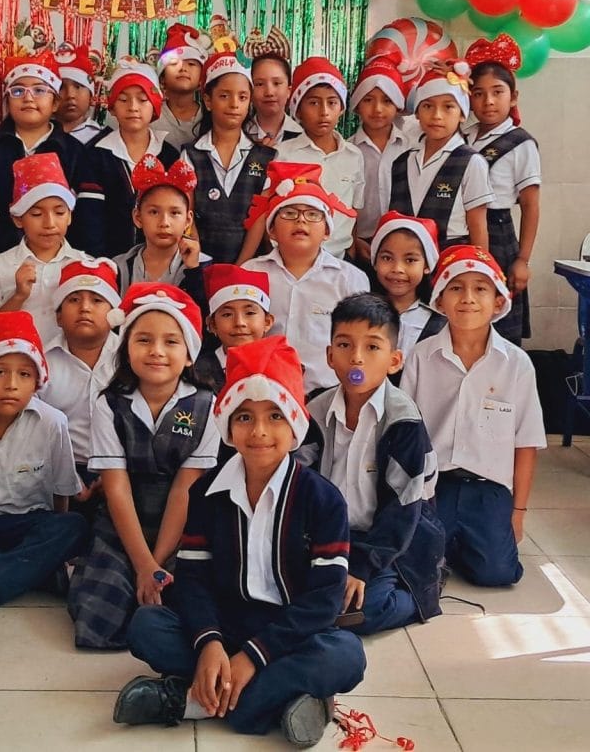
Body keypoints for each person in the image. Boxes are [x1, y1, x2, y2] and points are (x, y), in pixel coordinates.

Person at [114, 336, 365, 747]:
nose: (259, 432)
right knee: (146, 626)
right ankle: (283, 700)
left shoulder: (323, 500)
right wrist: (209, 643)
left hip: (290, 633)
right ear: (228, 425)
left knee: (346, 656)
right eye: (245, 417)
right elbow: (193, 580)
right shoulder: (206, 493)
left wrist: (253, 656)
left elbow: (323, 600)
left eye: (275, 416)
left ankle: (189, 701)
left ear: (295, 424)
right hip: (225, 624)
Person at [68, 283, 220, 649]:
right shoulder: (110, 404)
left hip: (183, 525)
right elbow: (116, 487)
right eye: (144, 340)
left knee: (193, 601)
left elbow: (185, 489)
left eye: (171, 342)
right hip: (123, 522)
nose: (156, 351)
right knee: (98, 618)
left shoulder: (207, 405)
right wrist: (143, 565)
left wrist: (159, 562)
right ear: (126, 350)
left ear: (189, 355)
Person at [401, 245, 546, 587]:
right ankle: (448, 544)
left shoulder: (517, 364)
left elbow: (526, 443)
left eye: (480, 288)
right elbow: (405, 433)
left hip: (489, 489)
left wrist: (518, 513)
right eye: (456, 287)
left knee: (497, 573)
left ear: (498, 302)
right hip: (434, 485)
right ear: (439, 301)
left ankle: (463, 542)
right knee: (413, 566)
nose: (468, 298)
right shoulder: (420, 357)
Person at [301, 293, 445, 636]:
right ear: (329, 356)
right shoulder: (315, 411)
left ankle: (421, 593)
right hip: (332, 535)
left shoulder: (404, 421)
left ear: (394, 361)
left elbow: (403, 509)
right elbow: (300, 482)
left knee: (366, 609)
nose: (356, 357)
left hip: (392, 537)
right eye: (345, 345)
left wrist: (361, 568)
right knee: (289, 593)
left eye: (372, 347)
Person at [0, 311, 87, 606]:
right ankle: (32, 573)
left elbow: (61, 494)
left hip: (25, 524)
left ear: (37, 382)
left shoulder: (52, 422)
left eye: (25, 374)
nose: (12, 384)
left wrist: (55, 543)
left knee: (73, 526)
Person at [241, 164, 369, 394]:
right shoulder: (251, 272)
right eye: (289, 213)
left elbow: (359, 342)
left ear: (327, 231)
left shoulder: (350, 279)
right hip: (263, 391)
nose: (301, 221)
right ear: (271, 230)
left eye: (312, 215)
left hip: (327, 393)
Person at [464, 36, 541, 344]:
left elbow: (531, 206)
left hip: (498, 233)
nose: (488, 101)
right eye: (479, 93)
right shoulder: (462, 136)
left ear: (513, 97)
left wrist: (522, 260)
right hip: (462, 230)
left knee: (499, 319)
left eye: (497, 92)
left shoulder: (521, 143)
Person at [0, 50, 82, 256]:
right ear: (7, 102)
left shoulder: (73, 151)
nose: (28, 98)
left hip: (58, 257)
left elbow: (83, 214)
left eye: (39, 90)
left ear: (55, 103)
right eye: (18, 91)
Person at [41, 259, 123, 517]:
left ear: (114, 314)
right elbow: (34, 432)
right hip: (53, 472)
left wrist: (113, 476)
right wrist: (67, 478)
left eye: (97, 300)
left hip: (124, 471)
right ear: (58, 316)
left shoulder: (131, 359)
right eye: (74, 300)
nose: (85, 308)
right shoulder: (40, 363)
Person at [0, 153, 88, 345]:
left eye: (59, 212)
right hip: (16, 361)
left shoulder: (84, 265)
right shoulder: (0, 265)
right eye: (37, 214)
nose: (49, 223)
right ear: (18, 219)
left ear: (70, 216)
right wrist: (19, 296)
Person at [74, 60, 178, 258]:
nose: (133, 107)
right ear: (112, 107)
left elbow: (176, 215)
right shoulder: (96, 155)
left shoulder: (169, 155)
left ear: (155, 106)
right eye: (123, 100)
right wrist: (100, 264)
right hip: (107, 262)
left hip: (160, 262)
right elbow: (90, 219)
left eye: (142, 100)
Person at [182, 52, 276, 265]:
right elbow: (187, 213)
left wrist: (241, 267)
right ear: (208, 100)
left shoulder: (264, 158)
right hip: (199, 263)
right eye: (224, 96)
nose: (234, 104)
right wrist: (199, 263)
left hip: (249, 266)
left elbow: (258, 220)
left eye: (242, 97)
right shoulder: (191, 155)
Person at [389, 64, 492, 251]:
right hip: (406, 260)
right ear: (417, 113)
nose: (437, 116)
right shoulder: (402, 162)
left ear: (462, 114)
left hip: (451, 256)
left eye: (448, 107)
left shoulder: (471, 162)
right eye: (428, 106)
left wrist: (479, 265)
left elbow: (478, 226)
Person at [274, 58, 365, 260]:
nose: (324, 112)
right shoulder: (284, 154)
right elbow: (271, 209)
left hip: (339, 257)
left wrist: (351, 249)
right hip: (292, 258)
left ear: (341, 108)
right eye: (313, 103)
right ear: (298, 110)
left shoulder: (354, 155)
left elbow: (353, 208)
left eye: (332, 102)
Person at [114, 155, 208, 307]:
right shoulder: (118, 268)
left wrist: (193, 271)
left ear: (188, 220)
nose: (164, 223)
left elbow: (203, 316)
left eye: (174, 213)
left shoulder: (204, 267)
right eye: (154, 212)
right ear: (138, 217)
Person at [347, 58, 414, 266]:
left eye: (387, 101)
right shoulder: (347, 151)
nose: (377, 109)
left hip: (406, 242)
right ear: (357, 105)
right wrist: (354, 240)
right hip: (361, 243)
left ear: (398, 106)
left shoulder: (411, 148)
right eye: (368, 100)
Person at [369, 211, 445, 362]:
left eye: (410, 260)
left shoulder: (441, 320)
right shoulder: (362, 312)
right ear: (375, 261)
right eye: (387, 258)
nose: (397, 268)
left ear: (427, 266)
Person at [195, 264, 273, 392]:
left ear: (267, 321)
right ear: (212, 324)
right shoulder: (197, 372)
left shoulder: (279, 365)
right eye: (227, 314)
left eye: (250, 313)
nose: (239, 322)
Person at [151, 24, 210, 150]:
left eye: (191, 64)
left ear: (201, 79)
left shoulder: (212, 116)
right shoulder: (150, 116)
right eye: (174, 63)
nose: (183, 68)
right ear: (162, 78)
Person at [245, 28, 301, 147]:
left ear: (289, 91)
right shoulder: (238, 134)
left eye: (276, 83)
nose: (269, 92)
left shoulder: (303, 136)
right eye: (259, 84)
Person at [55, 45, 102, 144]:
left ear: (91, 95)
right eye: (61, 87)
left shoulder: (102, 139)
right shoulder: (39, 134)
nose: (70, 95)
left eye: (78, 86)